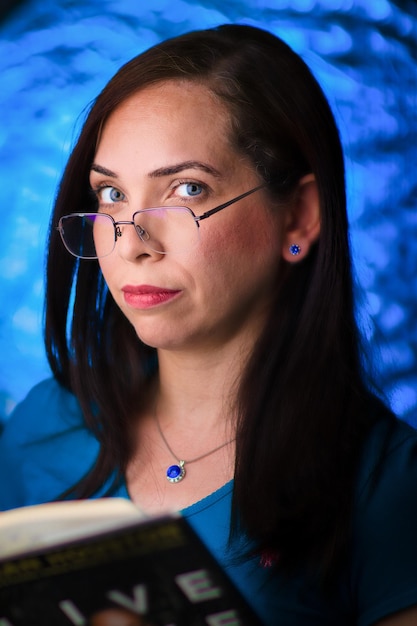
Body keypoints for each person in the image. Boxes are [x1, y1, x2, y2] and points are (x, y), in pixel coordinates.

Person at [1, 23, 417, 625]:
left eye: (187, 189)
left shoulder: (388, 492)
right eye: (112, 196)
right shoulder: (44, 425)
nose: (133, 243)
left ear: (299, 216)